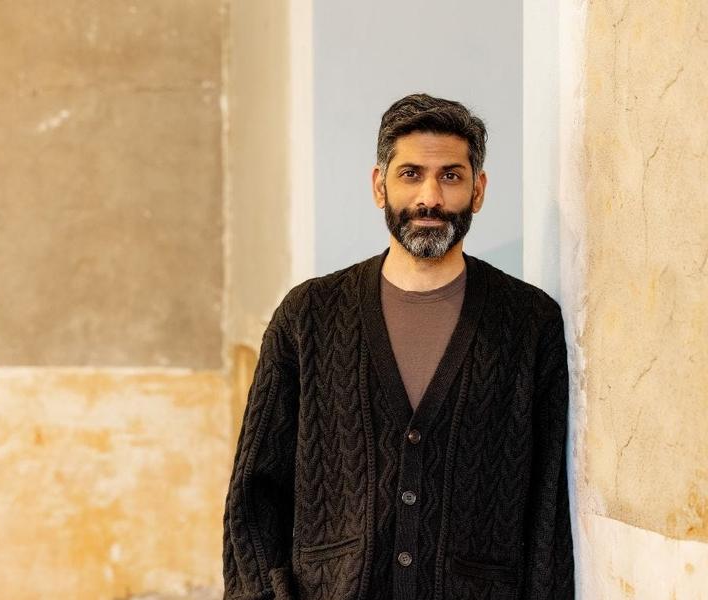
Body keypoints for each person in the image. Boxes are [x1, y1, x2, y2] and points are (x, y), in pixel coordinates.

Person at [222, 93, 574, 600]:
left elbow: (546, 508)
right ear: (378, 186)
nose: (429, 197)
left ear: (478, 191)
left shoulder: (529, 323)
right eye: (411, 174)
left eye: (450, 176)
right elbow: (255, 490)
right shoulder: (309, 316)